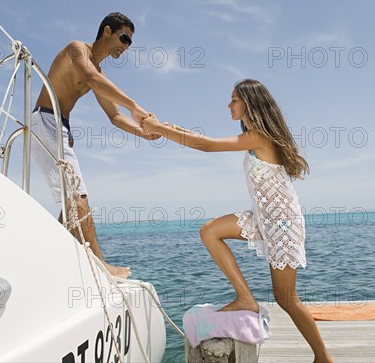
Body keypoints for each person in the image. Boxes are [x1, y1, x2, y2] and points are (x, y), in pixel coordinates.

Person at [141, 79, 333, 362]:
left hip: (281, 224)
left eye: (233, 100)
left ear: (249, 103)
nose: (228, 105)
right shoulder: (254, 138)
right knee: (209, 231)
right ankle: (246, 298)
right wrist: (168, 128)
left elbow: (207, 146)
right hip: (262, 218)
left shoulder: (260, 137)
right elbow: (205, 142)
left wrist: (161, 130)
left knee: (287, 299)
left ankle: (323, 358)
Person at [31, 12, 158, 279]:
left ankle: (43, 261)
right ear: (107, 31)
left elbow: (115, 117)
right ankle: (100, 266)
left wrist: (144, 133)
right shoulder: (77, 50)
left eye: (130, 43)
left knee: (71, 205)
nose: (126, 46)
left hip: (58, 126)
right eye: (124, 38)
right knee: (79, 198)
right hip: (45, 120)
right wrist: (135, 106)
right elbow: (90, 78)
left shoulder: (98, 72)